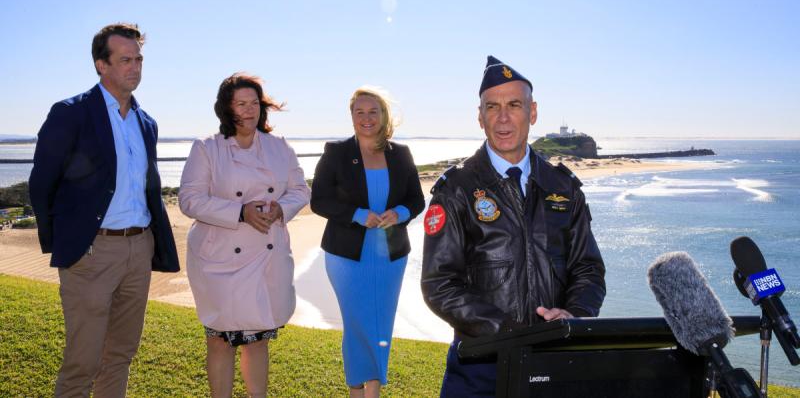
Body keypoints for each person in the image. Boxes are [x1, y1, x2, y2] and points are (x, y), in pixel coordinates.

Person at [420, 56, 606, 396]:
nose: (503, 117)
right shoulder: (456, 190)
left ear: (532, 112)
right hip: (479, 370)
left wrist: (575, 315)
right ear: (480, 117)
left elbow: (588, 269)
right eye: (492, 107)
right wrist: (506, 331)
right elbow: (439, 284)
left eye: (514, 105)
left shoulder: (563, 187)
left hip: (554, 364)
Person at [29, 23, 179, 397]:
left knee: (121, 355)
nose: (135, 67)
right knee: (83, 360)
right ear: (101, 64)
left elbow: (147, 187)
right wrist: (67, 246)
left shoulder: (147, 123)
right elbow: (41, 183)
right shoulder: (70, 113)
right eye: (125, 59)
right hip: (91, 254)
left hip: (138, 250)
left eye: (139, 58)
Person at [178, 73, 310, 398]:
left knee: (259, 338)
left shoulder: (279, 147)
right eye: (241, 104)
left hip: (267, 257)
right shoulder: (207, 148)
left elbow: (300, 190)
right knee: (220, 339)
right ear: (226, 108)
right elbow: (189, 200)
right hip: (219, 259)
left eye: (254, 103)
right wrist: (240, 212)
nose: (249, 111)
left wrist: (280, 208)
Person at [311, 86, 425, 397]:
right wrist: (358, 214)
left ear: (384, 115)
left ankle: (372, 393)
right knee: (358, 323)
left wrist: (399, 213)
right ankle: (355, 391)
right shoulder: (336, 153)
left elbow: (417, 199)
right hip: (346, 257)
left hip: (391, 257)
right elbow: (318, 201)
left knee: (381, 325)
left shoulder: (400, 154)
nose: (366, 118)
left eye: (372, 111)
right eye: (359, 112)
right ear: (351, 117)